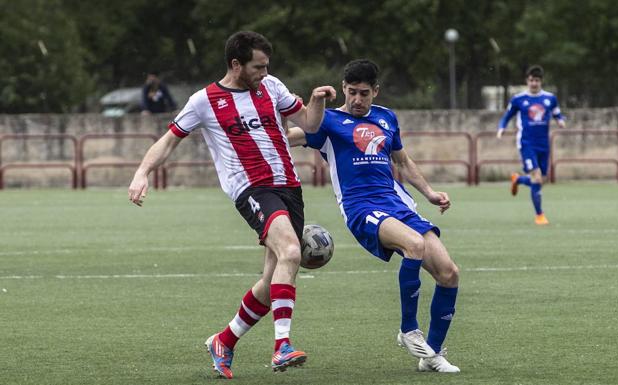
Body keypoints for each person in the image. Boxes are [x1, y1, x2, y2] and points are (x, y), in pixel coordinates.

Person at [128, 31, 336, 379]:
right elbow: (167, 142)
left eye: (267, 66)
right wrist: (141, 172)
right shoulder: (204, 100)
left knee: (272, 283)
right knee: (290, 251)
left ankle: (223, 341)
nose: (264, 72)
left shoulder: (271, 87)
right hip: (252, 189)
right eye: (258, 66)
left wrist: (317, 99)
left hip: (289, 187)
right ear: (236, 64)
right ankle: (281, 346)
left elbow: (310, 124)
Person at [287, 59, 460, 373]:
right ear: (343, 89)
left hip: (399, 204)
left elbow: (403, 162)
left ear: (375, 91)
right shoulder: (326, 122)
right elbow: (288, 137)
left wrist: (430, 193)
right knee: (414, 246)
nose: (356, 99)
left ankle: (431, 354)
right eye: (351, 92)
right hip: (361, 208)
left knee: (449, 273)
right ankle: (408, 329)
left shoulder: (386, 117)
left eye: (363, 93)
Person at [497, 65, 565, 225]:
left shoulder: (550, 98)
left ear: (541, 81)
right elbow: (507, 116)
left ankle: (518, 180)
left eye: (537, 80)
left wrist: (561, 120)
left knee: (543, 179)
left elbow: (556, 113)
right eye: (531, 80)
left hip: (543, 144)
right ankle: (539, 215)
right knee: (536, 176)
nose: (534, 83)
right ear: (527, 80)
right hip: (526, 143)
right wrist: (501, 128)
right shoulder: (518, 99)